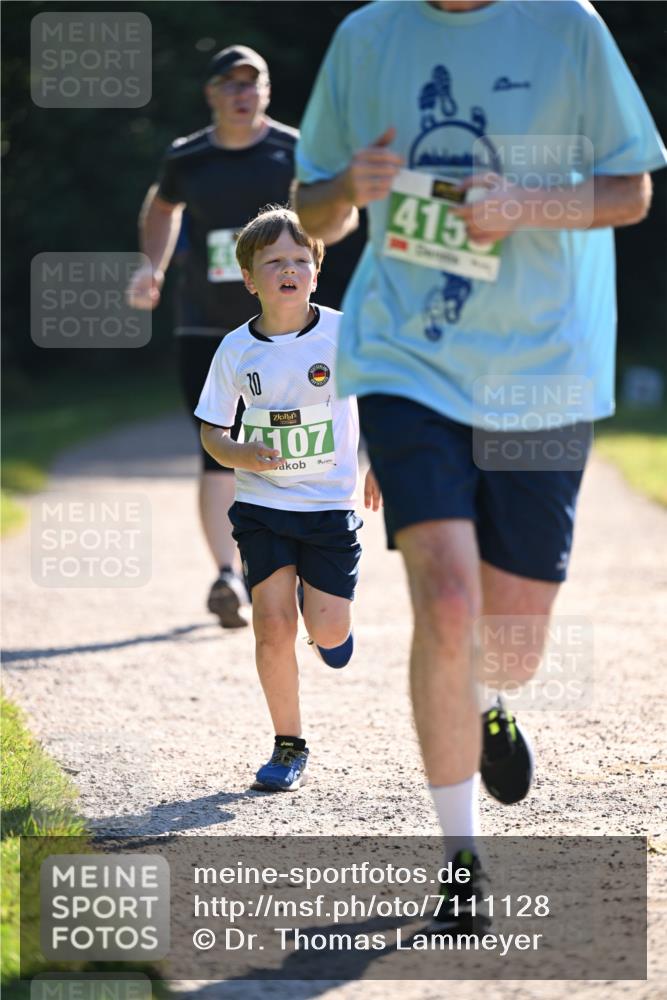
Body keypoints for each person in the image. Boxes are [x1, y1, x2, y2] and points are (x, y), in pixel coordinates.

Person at [294, 0, 666, 930]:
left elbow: (630, 191)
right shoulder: (367, 36)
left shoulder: (566, 27)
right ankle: (459, 859)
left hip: (545, 368)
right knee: (446, 600)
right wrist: (346, 182)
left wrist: (522, 203)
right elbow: (312, 210)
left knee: (511, 638)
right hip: (407, 358)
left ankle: (493, 700)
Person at [195, 206, 381, 791]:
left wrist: (383, 463)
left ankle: (329, 626)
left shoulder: (342, 334)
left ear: (317, 272)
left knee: (325, 631)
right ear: (250, 278)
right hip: (263, 507)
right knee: (272, 626)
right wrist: (240, 454)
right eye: (273, 261)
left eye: (300, 260)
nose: (288, 270)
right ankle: (288, 744)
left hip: (328, 509)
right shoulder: (234, 351)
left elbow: (384, 399)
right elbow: (211, 431)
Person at [126, 45, 298, 628]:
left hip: (286, 327)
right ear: (211, 94)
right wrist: (151, 264)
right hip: (206, 322)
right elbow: (162, 208)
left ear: (267, 91)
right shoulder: (188, 156)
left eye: (253, 82)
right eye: (230, 83)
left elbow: (326, 219)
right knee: (217, 444)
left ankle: (285, 568)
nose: (242, 93)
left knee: (292, 441)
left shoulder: (295, 151)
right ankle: (228, 575)